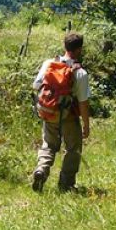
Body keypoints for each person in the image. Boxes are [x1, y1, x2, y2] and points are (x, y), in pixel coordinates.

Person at [31, 32, 90, 193]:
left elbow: (36, 86)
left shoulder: (49, 63)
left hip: (49, 113)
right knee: (73, 149)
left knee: (48, 145)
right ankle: (66, 184)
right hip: (68, 117)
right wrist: (86, 124)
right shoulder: (80, 73)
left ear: (64, 46)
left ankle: (41, 170)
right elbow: (83, 102)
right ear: (79, 50)